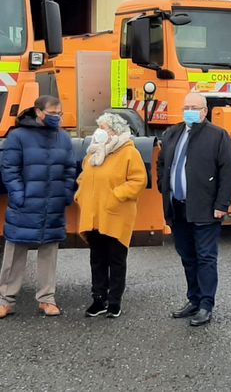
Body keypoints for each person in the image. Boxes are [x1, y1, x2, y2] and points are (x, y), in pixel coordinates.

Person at [0, 96, 76, 319]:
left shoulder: (63, 138)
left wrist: (65, 195)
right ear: (38, 112)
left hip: (53, 204)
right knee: (14, 253)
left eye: (59, 114)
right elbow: (9, 170)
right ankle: (6, 301)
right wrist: (19, 196)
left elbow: (69, 170)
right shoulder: (18, 136)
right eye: (52, 113)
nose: (57, 117)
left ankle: (47, 299)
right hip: (25, 204)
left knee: (49, 253)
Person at [157, 92, 231, 327]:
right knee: (187, 257)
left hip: (205, 209)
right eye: (186, 106)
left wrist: (222, 205)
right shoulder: (172, 133)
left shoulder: (218, 136)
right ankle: (193, 298)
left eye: (194, 107)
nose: (189, 110)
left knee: (206, 257)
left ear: (204, 111)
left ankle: (206, 305)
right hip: (178, 207)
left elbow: (227, 172)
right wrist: (164, 187)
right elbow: (162, 164)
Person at [75, 113, 147, 318]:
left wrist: (116, 196)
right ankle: (99, 299)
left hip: (116, 215)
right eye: (99, 127)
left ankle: (114, 301)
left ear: (115, 132)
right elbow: (83, 177)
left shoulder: (128, 153)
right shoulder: (93, 154)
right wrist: (81, 195)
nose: (99, 131)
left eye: (104, 128)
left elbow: (137, 181)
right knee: (97, 259)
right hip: (94, 216)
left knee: (116, 260)